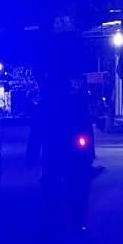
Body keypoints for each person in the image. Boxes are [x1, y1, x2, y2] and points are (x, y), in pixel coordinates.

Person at [27, 71, 95, 233]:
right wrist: (89, 153)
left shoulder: (47, 105)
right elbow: (87, 129)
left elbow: (36, 133)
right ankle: (73, 220)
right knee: (73, 185)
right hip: (66, 152)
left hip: (57, 151)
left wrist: (32, 155)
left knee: (59, 185)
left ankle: (63, 220)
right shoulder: (74, 104)